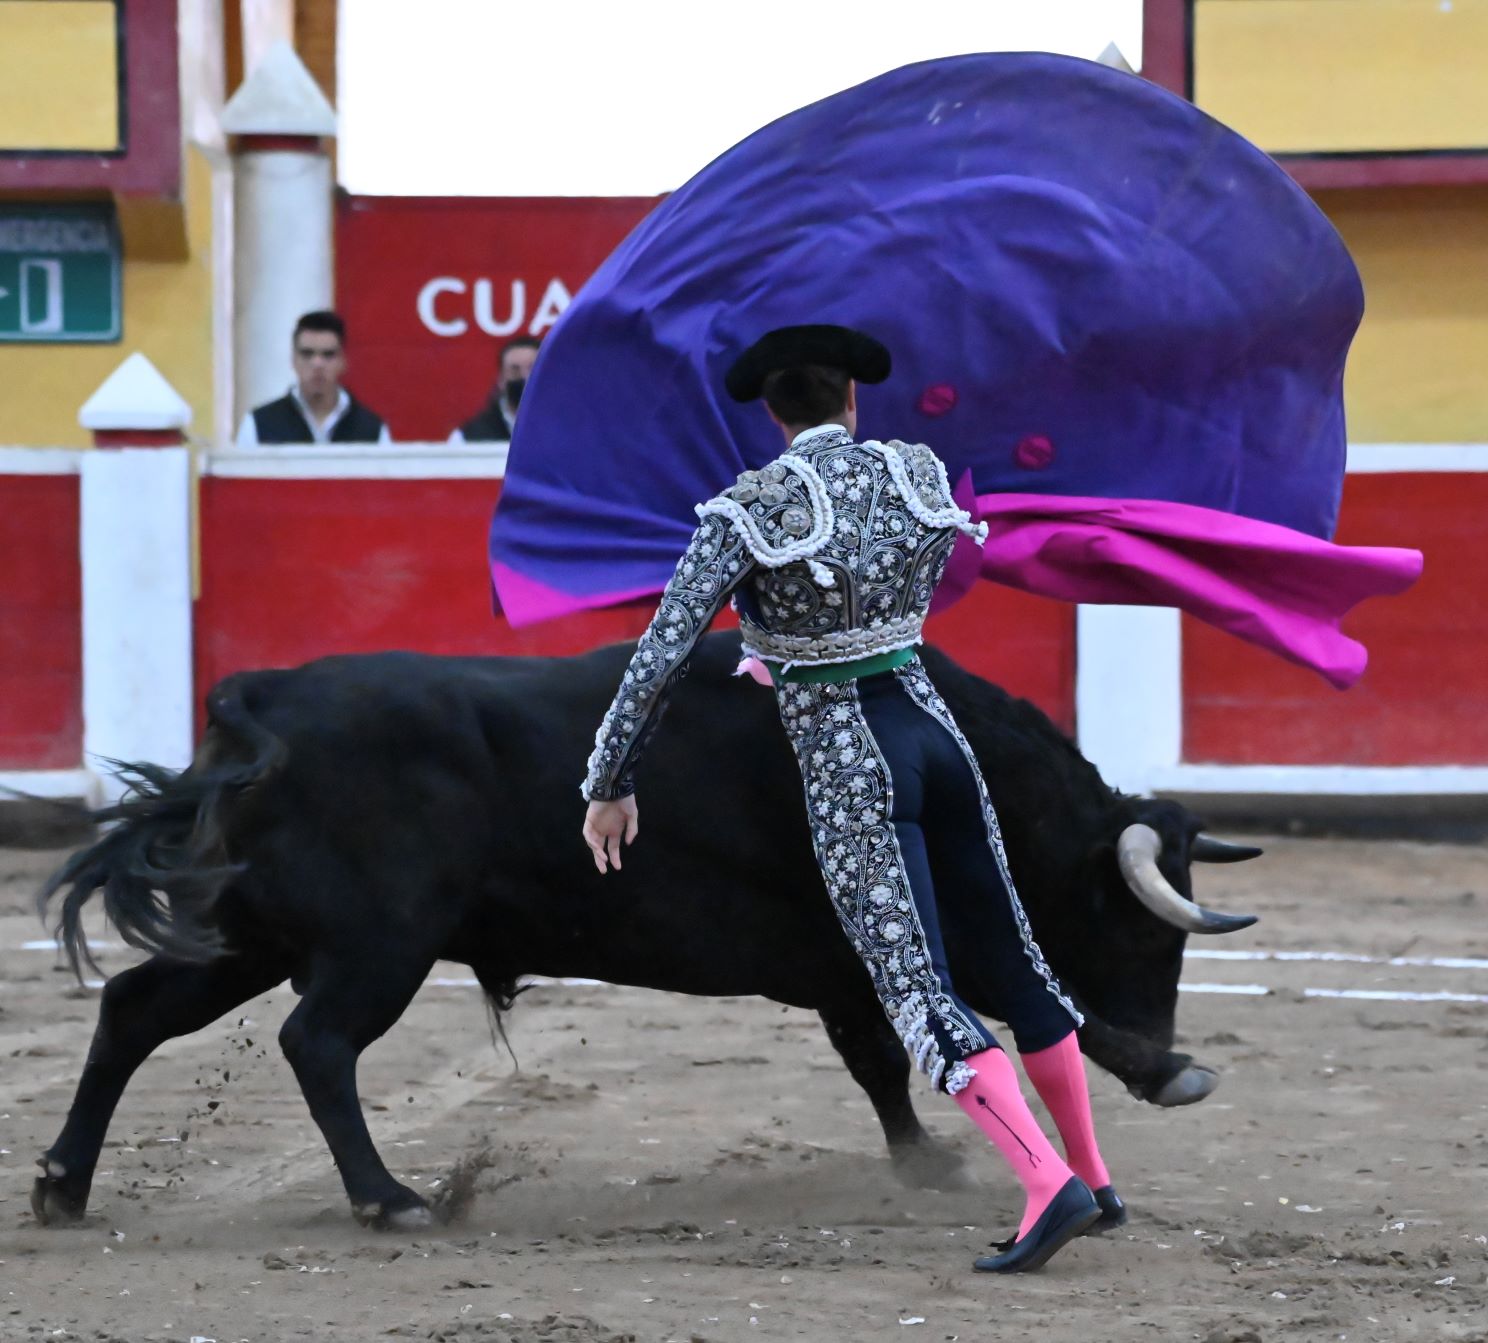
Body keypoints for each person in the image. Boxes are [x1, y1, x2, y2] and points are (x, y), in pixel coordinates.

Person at [579, 324, 1123, 1274]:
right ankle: (1093, 1173)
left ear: (772, 412)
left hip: (851, 758)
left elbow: (663, 652)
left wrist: (609, 780)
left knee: (916, 985)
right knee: (1016, 959)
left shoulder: (750, 508)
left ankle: (1048, 1184)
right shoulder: (915, 471)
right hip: (935, 731)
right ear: (853, 399)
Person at [235, 310, 390, 446]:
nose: (317, 364)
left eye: (328, 354)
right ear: (293, 360)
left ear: (343, 361)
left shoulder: (373, 432)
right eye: (307, 354)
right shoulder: (258, 425)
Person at [450, 336, 540, 443]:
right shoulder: (467, 438)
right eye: (515, 370)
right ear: (501, 379)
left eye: (533, 369)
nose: (525, 377)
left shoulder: (558, 428)